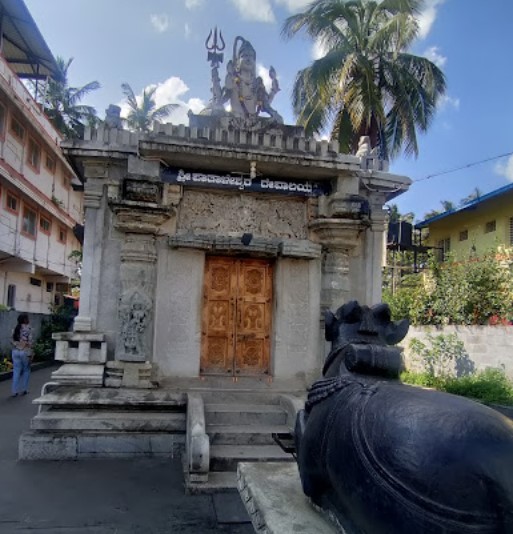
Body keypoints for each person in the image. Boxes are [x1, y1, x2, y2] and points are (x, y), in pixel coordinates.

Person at [11, 313, 32, 397]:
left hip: (15, 351)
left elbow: (11, 341)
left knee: (16, 370)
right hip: (25, 351)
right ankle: (25, 389)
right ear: (25, 320)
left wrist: (17, 345)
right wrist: (31, 354)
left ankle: (14, 391)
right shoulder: (28, 329)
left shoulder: (15, 329)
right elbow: (30, 342)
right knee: (26, 370)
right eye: (27, 318)